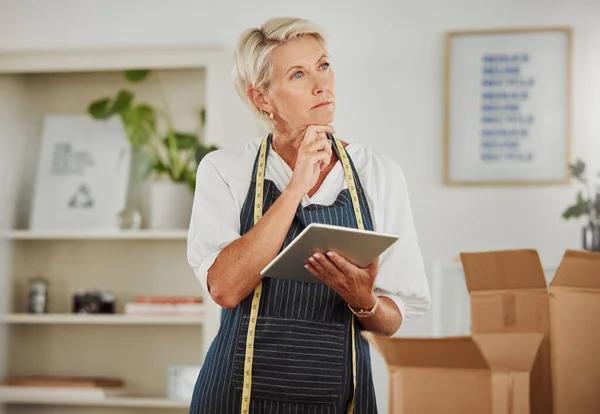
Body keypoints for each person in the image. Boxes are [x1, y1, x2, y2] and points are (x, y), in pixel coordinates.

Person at [186, 16, 430, 414]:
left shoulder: (379, 175)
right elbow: (225, 288)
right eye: (298, 74)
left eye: (323, 65)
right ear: (261, 99)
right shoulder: (223, 170)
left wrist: (364, 299)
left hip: (341, 400)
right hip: (237, 398)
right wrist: (297, 186)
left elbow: (393, 319)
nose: (322, 84)